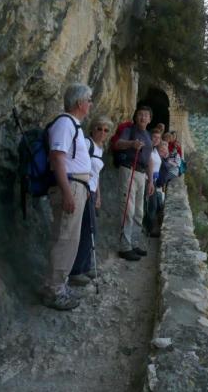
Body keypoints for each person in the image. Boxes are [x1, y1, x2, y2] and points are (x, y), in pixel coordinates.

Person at [42, 83, 92, 310]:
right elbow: (57, 158)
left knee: (69, 239)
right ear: (79, 103)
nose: (90, 104)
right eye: (89, 100)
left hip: (76, 186)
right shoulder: (65, 123)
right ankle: (54, 291)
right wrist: (67, 193)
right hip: (69, 186)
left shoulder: (73, 125)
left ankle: (58, 285)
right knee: (64, 239)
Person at [69, 115, 112, 286]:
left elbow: (97, 175)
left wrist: (98, 196)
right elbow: (80, 167)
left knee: (90, 230)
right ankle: (77, 271)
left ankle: (85, 266)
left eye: (106, 130)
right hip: (83, 191)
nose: (102, 132)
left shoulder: (99, 149)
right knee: (87, 230)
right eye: (99, 128)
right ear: (92, 129)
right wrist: (86, 188)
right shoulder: (87, 144)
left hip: (92, 193)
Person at [116, 106, 154, 261]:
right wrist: (132, 144)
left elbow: (150, 159)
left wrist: (151, 180)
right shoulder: (130, 130)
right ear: (135, 117)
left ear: (150, 119)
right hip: (129, 171)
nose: (143, 117)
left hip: (141, 174)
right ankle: (125, 247)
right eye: (140, 115)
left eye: (146, 115)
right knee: (128, 210)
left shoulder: (148, 135)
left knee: (139, 211)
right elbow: (118, 144)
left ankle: (134, 243)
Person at [144, 129, 162, 237]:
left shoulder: (155, 150)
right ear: (150, 137)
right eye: (154, 137)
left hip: (153, 181)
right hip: (147, 180)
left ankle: (149, 229)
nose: (156, 139)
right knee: (150, 205)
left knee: (152, 205)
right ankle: (149, 230)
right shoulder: (148, 150)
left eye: (158, 138)